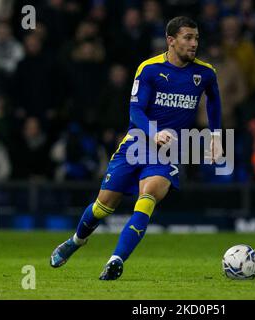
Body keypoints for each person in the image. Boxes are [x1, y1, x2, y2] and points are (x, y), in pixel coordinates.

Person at [50, 16, 223, 280]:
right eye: (188, 37)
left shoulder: (205, 73)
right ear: (171, 40)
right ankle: (76, 241)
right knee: (102, 206)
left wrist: (217, 135)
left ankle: (116, 260)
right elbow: (136, 109)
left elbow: (214, 102)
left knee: (149, 196)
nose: (194, 43)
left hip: (169, 151)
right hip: (137, 143)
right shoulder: (149, 69)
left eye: (196, 38)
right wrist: (154, 133)